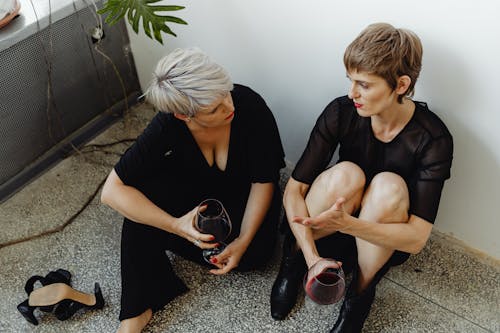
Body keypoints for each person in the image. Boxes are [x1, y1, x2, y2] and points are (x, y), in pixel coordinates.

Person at [270, 23, 453, 333]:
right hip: (326, 227)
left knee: (388, 185)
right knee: (346, 174)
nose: (351, 93)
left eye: (364, 85)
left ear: (401, 84)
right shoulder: (342, 111)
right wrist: (313, 256)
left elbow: (417, 238)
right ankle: (295, 261)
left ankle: (360, 294)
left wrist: (350, 224)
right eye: (350, 81)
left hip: (376, 236)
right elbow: (295, 190)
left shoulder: (432, 138)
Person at [101, 48, 285, 333]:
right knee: (137, 203)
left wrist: (244, 240)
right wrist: (176, 225)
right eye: (213, 109)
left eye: (225, 91)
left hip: (244, 204)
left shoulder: (249, 106)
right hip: (195, 204)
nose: (228, 106)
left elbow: (264, 181)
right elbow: (111, 191)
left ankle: (181, 254)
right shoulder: (166, 125)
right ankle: (134, 314)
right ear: (183, 116)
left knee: (255, 256)